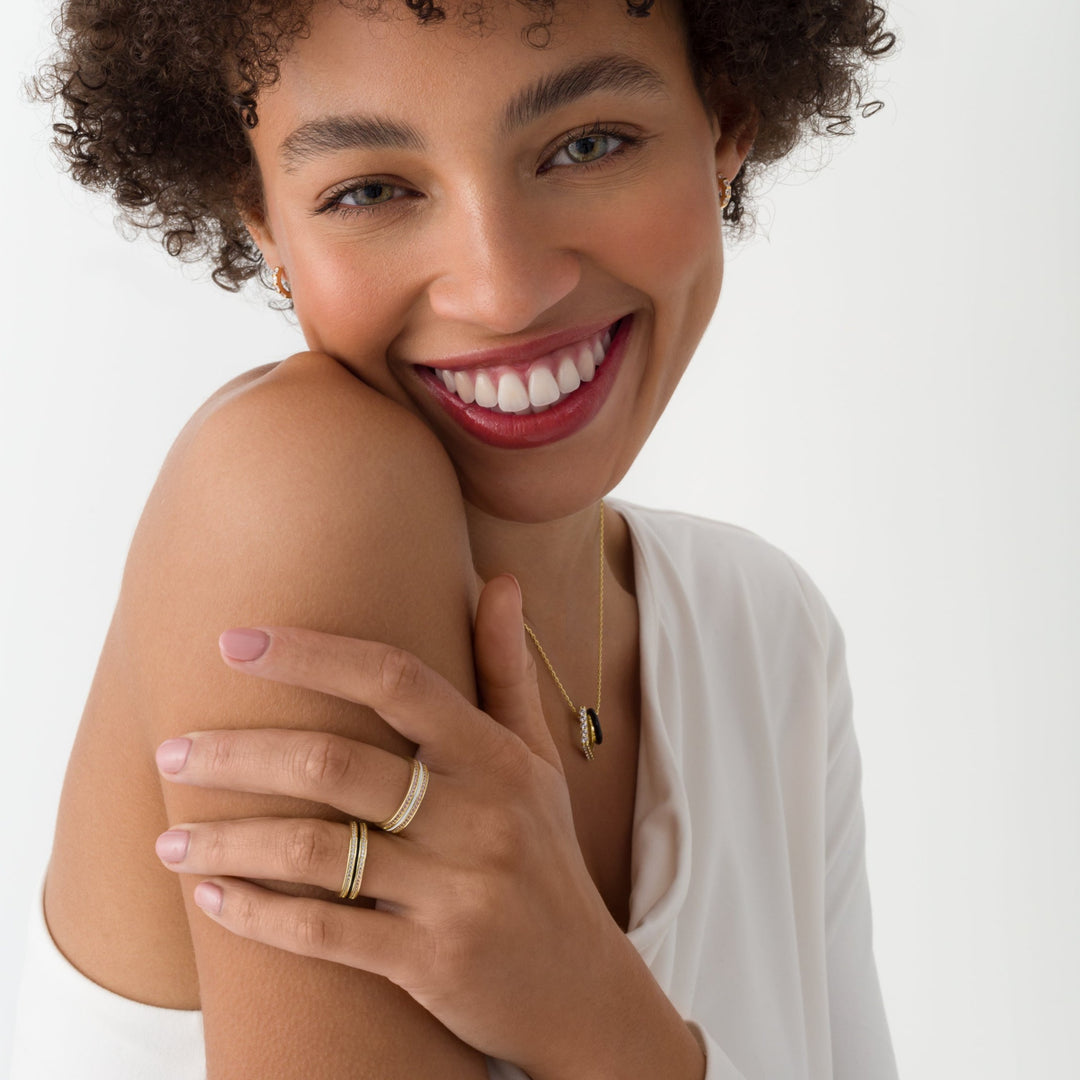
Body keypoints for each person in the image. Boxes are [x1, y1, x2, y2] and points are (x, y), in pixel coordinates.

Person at [13, 0, 899, 1076]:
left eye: (587, 144)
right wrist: (611, 1038)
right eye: (371, 191)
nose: (502, 289)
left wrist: (598, 1010)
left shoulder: (769, 631)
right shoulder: (295, 490)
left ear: (726, 127)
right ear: (266, 226)